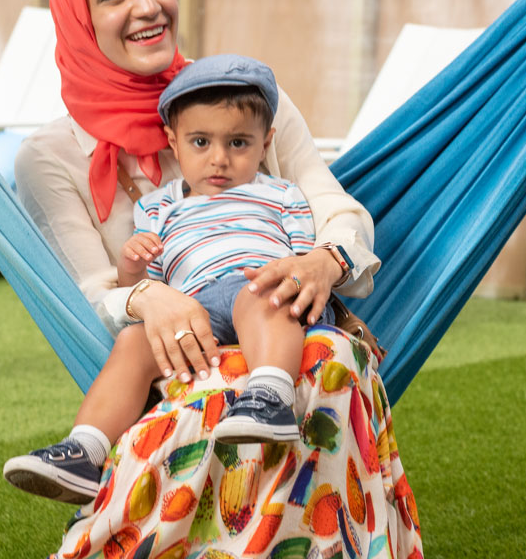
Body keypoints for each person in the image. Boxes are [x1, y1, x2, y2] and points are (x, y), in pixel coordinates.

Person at [0, 0, 428, 559]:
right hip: (153, 354)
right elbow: (90, 286)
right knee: (269, 379)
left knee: (326, 361)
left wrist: (326, 261)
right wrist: (149, 298)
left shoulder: (244, 99)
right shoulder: (50, 156)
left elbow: (331, 205)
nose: (147, 5)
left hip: (271, 330)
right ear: (79, 17)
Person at [56, 53, 337, 467]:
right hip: (194, 308)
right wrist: (132, 264)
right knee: (134, 341)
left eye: (238, 142)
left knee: (261, 295)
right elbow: (147, 289)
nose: (219, 158)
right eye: (201, 142)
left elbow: (301, 263)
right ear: (174, 143)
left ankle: (270, 397)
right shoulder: (158, 207)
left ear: (266, 142)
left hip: (262, 289)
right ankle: (84, 449)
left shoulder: (281, 194)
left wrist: (295, 279)